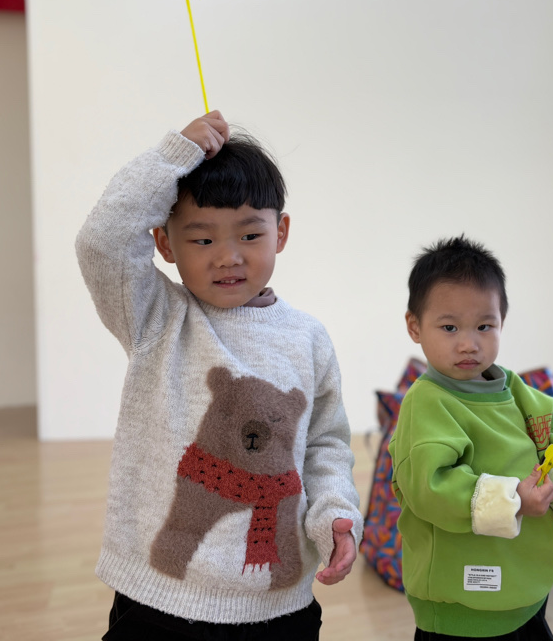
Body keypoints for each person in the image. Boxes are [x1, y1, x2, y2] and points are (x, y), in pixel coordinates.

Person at [76, 110, 362, 640]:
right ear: (165, 244)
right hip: (159, 597)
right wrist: (173, 156)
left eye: (250, 234)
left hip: (277, 603)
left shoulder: (308, 338)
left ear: (280, 232)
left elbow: (325, 443)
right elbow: (102, 241)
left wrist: (335, 513)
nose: (228, 257)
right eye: (202, 240)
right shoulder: (156, 317)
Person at [389, 235, 553, 640]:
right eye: (449, 327)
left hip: (526, 589)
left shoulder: (514, 389)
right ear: (415, 326)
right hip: (463, 603)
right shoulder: (428, 402)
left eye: (484, 326)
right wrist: (514, 498)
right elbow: (431, 487)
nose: (469, 343)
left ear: (502, 322)